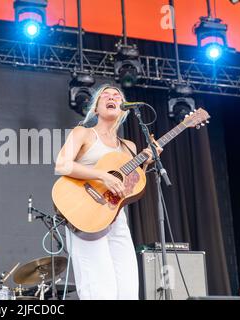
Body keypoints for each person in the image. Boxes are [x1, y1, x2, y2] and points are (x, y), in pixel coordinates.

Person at [55, 84, 162, 300]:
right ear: (96, 108)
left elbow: (131, 186)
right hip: (85, 213)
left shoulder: (129, 146)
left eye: (117, 95)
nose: (112, 97)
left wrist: (146, 163)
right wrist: (102, 176)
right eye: (106, 95)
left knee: (128, 288)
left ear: (123, 110)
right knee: (99, 289)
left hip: (115, 216)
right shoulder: (83, 133)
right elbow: (62, 165)